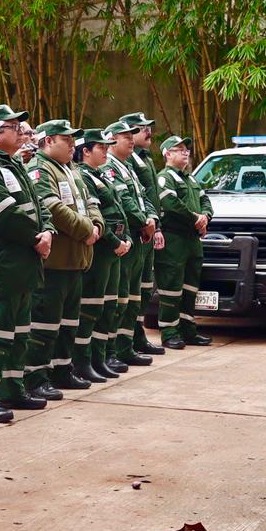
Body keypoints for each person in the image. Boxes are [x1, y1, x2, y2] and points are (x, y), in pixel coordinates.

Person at [0, 104, 55, 421]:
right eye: (14, 127)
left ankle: (12, 390)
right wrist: (36, 238)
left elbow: (40, 205)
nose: (21, 132)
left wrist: (48, 230)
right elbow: (4, 214)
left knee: (19, 335)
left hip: (25, 265)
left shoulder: (15, 164)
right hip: (3, 267)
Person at [24, 120, 102, 396]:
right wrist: (86, 230)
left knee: (69, 322)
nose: (72, 144)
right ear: (48, 141)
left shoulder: (70, 169)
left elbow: (91, 202)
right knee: (45, 325)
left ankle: (62, 370)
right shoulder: (39, 168)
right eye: (66, 139)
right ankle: (36, 376)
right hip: (54, 262)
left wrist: (97, 226)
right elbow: (52, 207)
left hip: (76, 259)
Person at [99, 120, 157, 370]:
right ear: (111, 140)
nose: (132, 140)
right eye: (126, 136)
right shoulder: (109, 167)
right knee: (121, 298)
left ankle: (126, 346)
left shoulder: (127, 166)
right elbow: (123, 201)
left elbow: (144, 197)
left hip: (140, 237)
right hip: (129, 235)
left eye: (132, 136)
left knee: (134, 297)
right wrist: (143, 221)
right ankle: (113, 350)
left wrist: (151, 218)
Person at [74, 128, 130, 381]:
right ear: (85, 151)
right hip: (101, 249)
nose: (106, 151)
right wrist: (115, 241)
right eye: (101, 147)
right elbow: (97, 216)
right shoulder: (83, 176)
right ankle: (84, 361)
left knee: (109, 306)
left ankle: (102, 356)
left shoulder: (101, 174)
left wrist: (126, 239)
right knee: (91, 308)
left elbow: (118, 210)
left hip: (114, 249)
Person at [153, 135, 213, 348]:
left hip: (192, 241)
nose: (185, 153)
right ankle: (169, 332)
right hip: (174, 240)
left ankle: (188, 330)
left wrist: (205, 217)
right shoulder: (164, 178)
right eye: (179, 150)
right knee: (171, 287)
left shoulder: (191, 179)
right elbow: (171, 204)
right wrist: (195, 218)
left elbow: (206, 201)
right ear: (168, 154)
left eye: (186, 149)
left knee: (190, 287)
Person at [119, 111, 165, 356]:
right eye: (140, 128)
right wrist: (145, 223)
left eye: (148, 127)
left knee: (145, 287)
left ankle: (137, 336)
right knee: (131, 289)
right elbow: (129, 199)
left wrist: (155, 223)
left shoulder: (144, 157)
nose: (148, 132)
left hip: (148, 228)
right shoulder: (125, 161)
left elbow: (147, 196)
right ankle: (127, 341)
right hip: (137, 231)